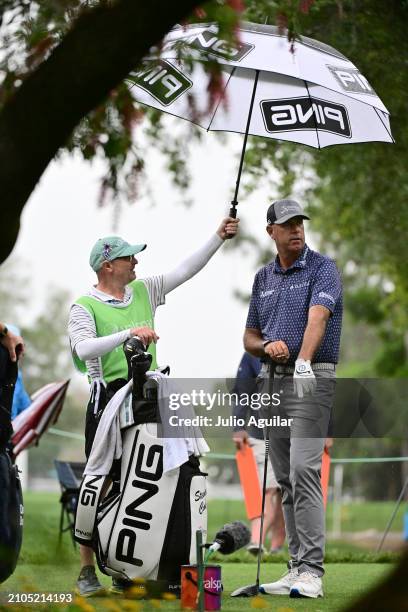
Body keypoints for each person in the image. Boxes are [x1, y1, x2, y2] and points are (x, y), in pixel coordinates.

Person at [68, 216, 239, 597]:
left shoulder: (145, 290)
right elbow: (83, 349)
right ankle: (86, 570)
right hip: (109, 399)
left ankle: (131, 564)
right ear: (107, 265)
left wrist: (218, 237)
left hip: (149, 396)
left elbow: (185, 270)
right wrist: (128, 333)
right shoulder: (84, 307)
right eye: (128, 257)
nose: (136, 263)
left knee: (157, 475)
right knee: (102, 478)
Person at [244, 199, 342, 599]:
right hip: (272, 382)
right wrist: (268, 346)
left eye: (300, 222)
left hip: (311, 378)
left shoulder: (323, 268)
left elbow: (319, 315)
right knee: (283, 478)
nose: (296, 229)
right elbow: (248, 337)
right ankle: (295, 566)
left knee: (304, 470)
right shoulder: (262, 278)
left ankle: (313, 571)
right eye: (287, 224)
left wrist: (302, 359)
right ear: (272, 232)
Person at [231, 352, 285, 554]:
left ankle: (277, 545)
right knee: (269, 490)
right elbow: (242, 391)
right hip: (261, 434)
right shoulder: (252, 354)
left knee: (284, 492)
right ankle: (257, 541)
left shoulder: (298, 341)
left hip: (293, 433)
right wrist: (238, 426)